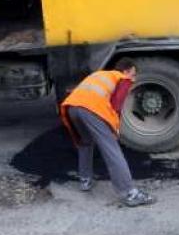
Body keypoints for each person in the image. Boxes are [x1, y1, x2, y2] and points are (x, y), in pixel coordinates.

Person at [60, 58, 155, 207]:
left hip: (72, 107)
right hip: (91, 109)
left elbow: (76, 91)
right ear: (126, 71)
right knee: (112, 149)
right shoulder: (123, 78)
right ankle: (129, 193)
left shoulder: (100, 74)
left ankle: (85, 180)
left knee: (85, 142)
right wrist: (114, 129)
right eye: (133, 74)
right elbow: (116, 106)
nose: (134, 79)